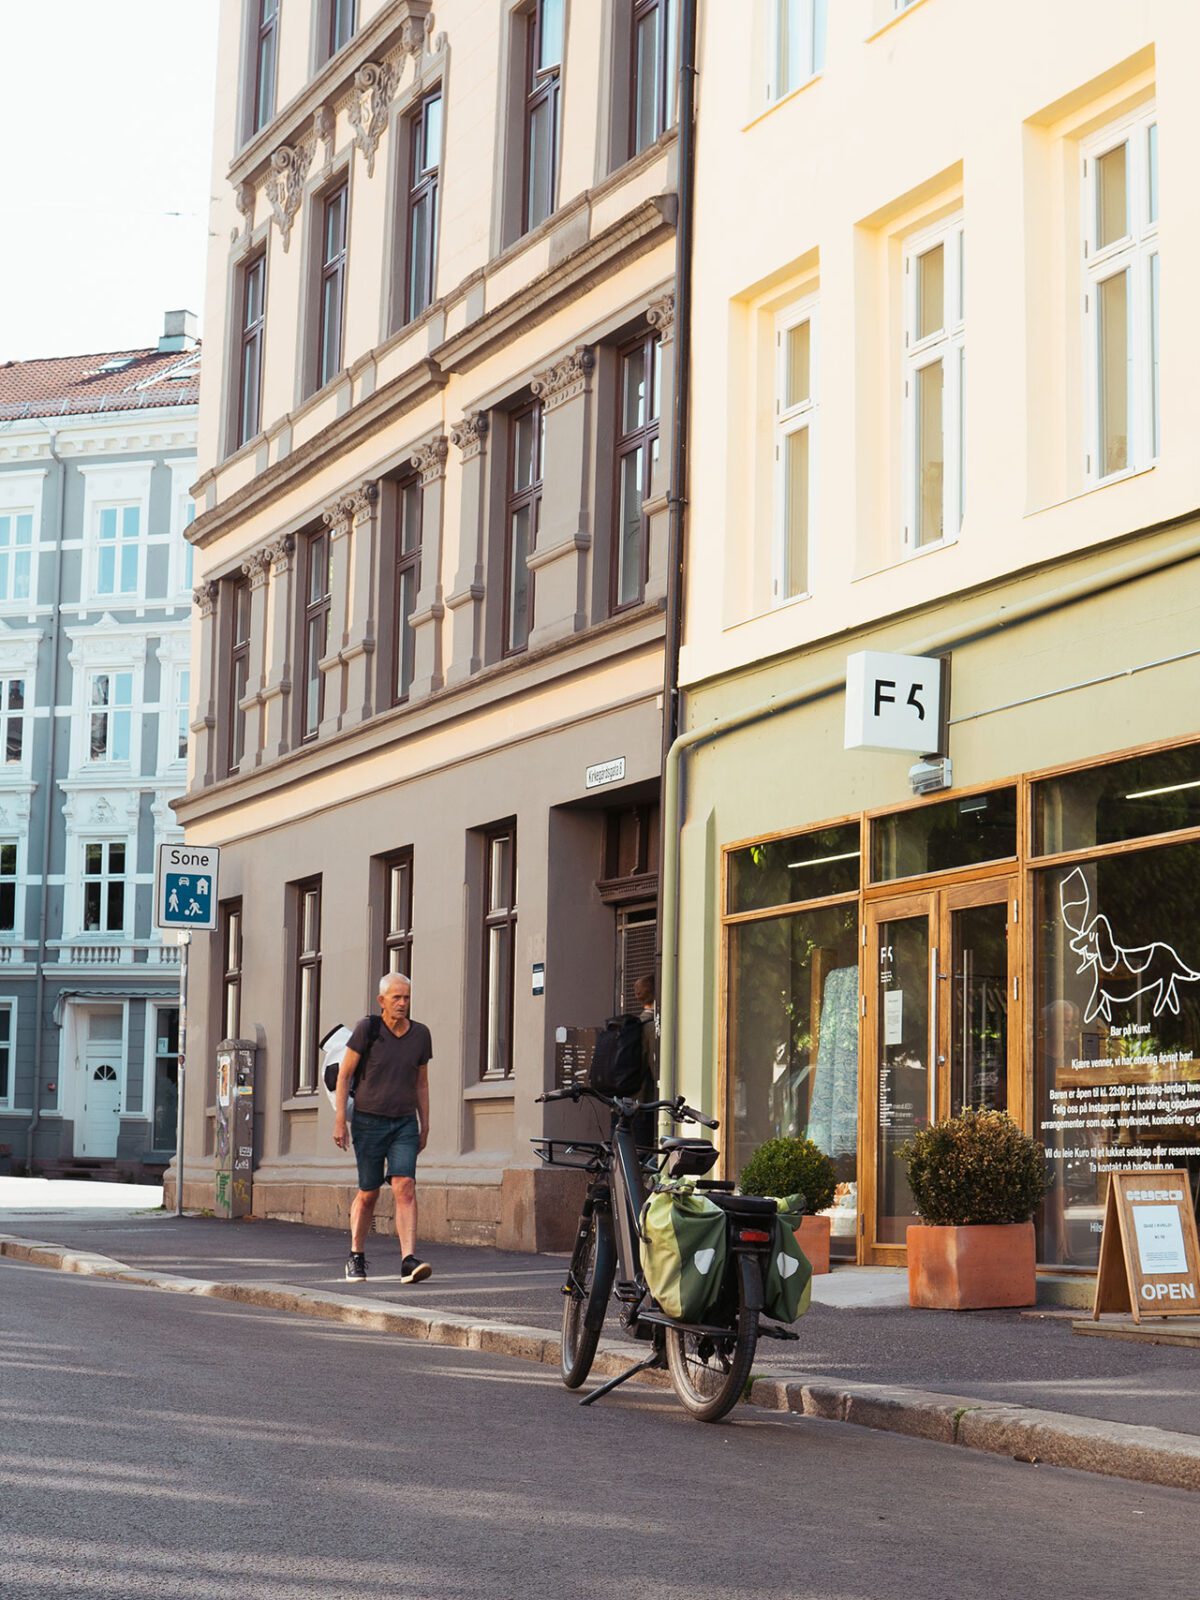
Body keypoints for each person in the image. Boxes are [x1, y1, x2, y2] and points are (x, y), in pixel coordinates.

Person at [334, 972, 432, 1285]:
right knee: (369, 1192)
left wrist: (425, 1123)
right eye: (396, 998)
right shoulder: (368, 1029)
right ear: (382, 1001)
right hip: (368, 1121)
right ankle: (356, 1255)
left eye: (406, 998)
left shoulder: (421, 1035)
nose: (402, 1003)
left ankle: (407, 1260)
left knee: (405, 1186)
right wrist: (340, 1120)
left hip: (404, 1122)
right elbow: (344, 1075)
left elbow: (422, 1082)